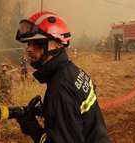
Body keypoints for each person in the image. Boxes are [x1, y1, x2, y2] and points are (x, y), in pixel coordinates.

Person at [15, 11, 110, 143]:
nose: (29, 49)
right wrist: (48, 111)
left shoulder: (60, 89)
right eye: (28, 44)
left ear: (58, 44)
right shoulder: (72, 71)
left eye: (36, 42)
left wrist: (33, 129)